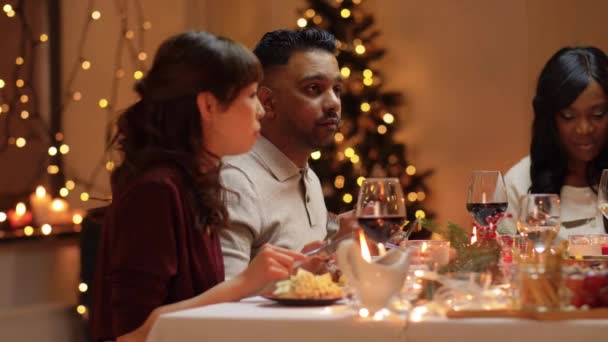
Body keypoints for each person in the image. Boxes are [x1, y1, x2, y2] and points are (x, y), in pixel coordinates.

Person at [90, 31, 306, 342]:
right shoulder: (155, 191)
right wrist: (246, 280)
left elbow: (200, 309)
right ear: (208, 106)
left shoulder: (198, 182)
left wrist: (282, 276)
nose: (260, 110)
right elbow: (132, 335)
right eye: (250, 95)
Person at [219, 28, 345, 278]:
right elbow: (222, 306)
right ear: (268, 102)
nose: (333, 103)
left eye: (337, 90)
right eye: (313, 88)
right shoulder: (236, 182)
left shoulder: (308, 176)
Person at [504, 46, 608, 240]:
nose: (584, 128)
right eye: (569, 116)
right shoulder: (519, 181)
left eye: (598, 115)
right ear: (550, 119)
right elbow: (501, 262)